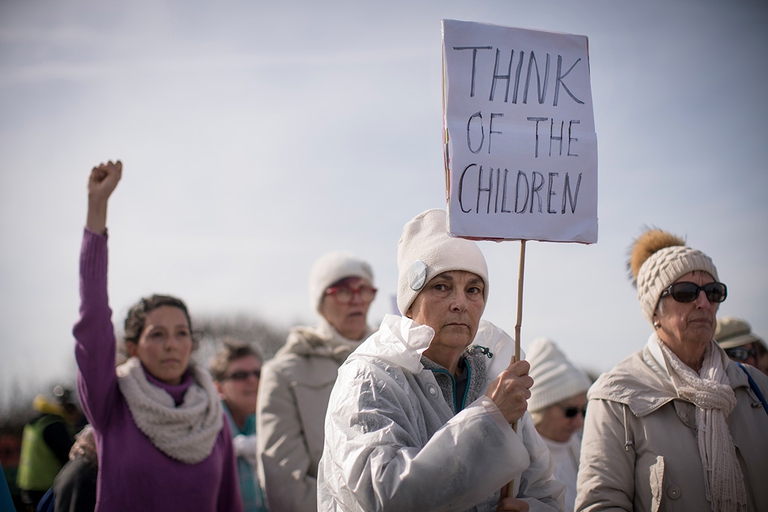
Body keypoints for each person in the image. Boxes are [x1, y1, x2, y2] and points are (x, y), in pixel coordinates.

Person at [318, 208, 564, 512]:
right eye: (441, 287)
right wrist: (489, 419)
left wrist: (528, 509)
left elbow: (544, 491)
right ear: (409, 305)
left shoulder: (495, 380)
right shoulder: (369, 378)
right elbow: (384, 495)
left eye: (473, 289)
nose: (460, 303)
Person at [72, 160, 242, 511]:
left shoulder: (212, 414)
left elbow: (229, 502)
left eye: (181, 333)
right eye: (157, 334)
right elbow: (93, 321)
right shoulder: (111, 403)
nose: (171, 345)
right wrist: (97, 207)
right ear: (132, 347)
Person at [576, 228, 768, 511]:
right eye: (686, 292)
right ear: (655, 310)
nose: (703, 303)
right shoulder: (615, 397)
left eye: (713, 292)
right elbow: (601, 503)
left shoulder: (755, 387)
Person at [256, 250, 377, 511]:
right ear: (320, 302)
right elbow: (287, 486)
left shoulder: (393, 359)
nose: (357, 299)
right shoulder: (283, 373)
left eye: (364, 290)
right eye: (344, 291)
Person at [526, 338, 591, 512]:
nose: (579, 423)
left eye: (584, 411)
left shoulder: (581, 449)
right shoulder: (517, 458)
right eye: (570, 411)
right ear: (541, 408)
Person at [211, 340, 268, 512]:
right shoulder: (207, 432)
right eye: (240, 375)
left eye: (258, 373)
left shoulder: (272, 425)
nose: (253, 380)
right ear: (218, 387)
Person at [17, 386, 79, 511]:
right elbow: (69, 459)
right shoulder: (55, 425)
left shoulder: (37, 422)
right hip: (47, 487)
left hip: (28, 485)